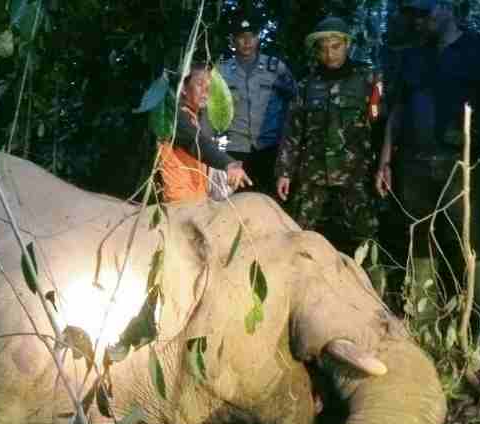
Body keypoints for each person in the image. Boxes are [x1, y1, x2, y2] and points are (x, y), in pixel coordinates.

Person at [375, 0, 480, 351]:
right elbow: (396, 110)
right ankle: (425, 326)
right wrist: (385, 161)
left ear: (447, 9)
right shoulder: (412, 57)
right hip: (413, 164)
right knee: (419, 241)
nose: (419, 22)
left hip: (461, 162)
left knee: (472, 242)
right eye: (413, 15)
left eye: (425, 14)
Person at [275, 17, 382, 257]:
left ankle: (371, 291)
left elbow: (380, 128)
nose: (330, 54)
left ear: (347, 45)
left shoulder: (368, 80)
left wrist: (383, 167)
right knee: (298, 237)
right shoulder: (306, 85)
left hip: (356, 176)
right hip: (313, 174)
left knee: (367, 241)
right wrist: (284, 171)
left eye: (336, 47)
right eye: (323, 48)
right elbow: (292, 131)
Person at [216, 14, 296, 195]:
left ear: (258, 37)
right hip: (235, 149)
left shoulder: (276, 68)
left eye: (251, 36)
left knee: (271, 201)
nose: (247, 41)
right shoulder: (221, 71)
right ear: (233, 40)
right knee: (236, 202)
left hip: (270, 147)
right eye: (241, 36)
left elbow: (295, 102)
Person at [158, 63, 252, 202]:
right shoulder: (173, 116)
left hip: (196, 200)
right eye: (200, 84)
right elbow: (196, 142)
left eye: (210, 87)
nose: (206, 91)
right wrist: (229, 164)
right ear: (183, 88)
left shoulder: (195, 118)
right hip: (178, 202)